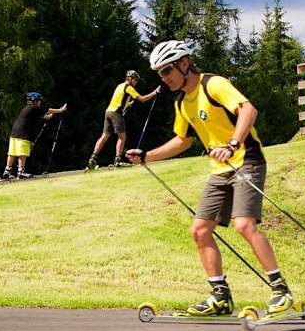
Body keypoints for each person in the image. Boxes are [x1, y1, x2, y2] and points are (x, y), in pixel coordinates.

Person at [125, 40, 294, 317]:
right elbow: (182, 141)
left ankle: (281, 291)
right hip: (220, 171)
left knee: (243, 225)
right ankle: (220, 297)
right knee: (200, 231)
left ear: (184, 64)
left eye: (167, 70)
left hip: (246, 160)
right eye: (160, 74)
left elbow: (248, 110)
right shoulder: (182, 102)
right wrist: (147, 156)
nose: (164, 78)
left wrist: (232, 143)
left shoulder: (212, 84)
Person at [86, 70, 158, 170]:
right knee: (122, 137)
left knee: (104, 136)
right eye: (136, 80)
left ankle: (92, 160)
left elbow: (117, 100)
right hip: (116, 113)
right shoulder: (129, 87)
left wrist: (128, 104)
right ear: (131, 79)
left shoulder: (120, 86)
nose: (136, 82)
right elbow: (142, 99)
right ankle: (118, 160)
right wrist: (154, 93)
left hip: (108, 112)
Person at [0, 93, 67, 180]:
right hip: (23, 134)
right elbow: (49, 110)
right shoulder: (35, 107)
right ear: (36, 101)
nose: (40, 102)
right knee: (22, 153)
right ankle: (21, 172)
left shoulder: (27, 108)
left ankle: (7, 171)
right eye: (39, 100)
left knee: (12, 153)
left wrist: (46, 118)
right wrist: (60, 110)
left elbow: (37, 117)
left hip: (14, 133)